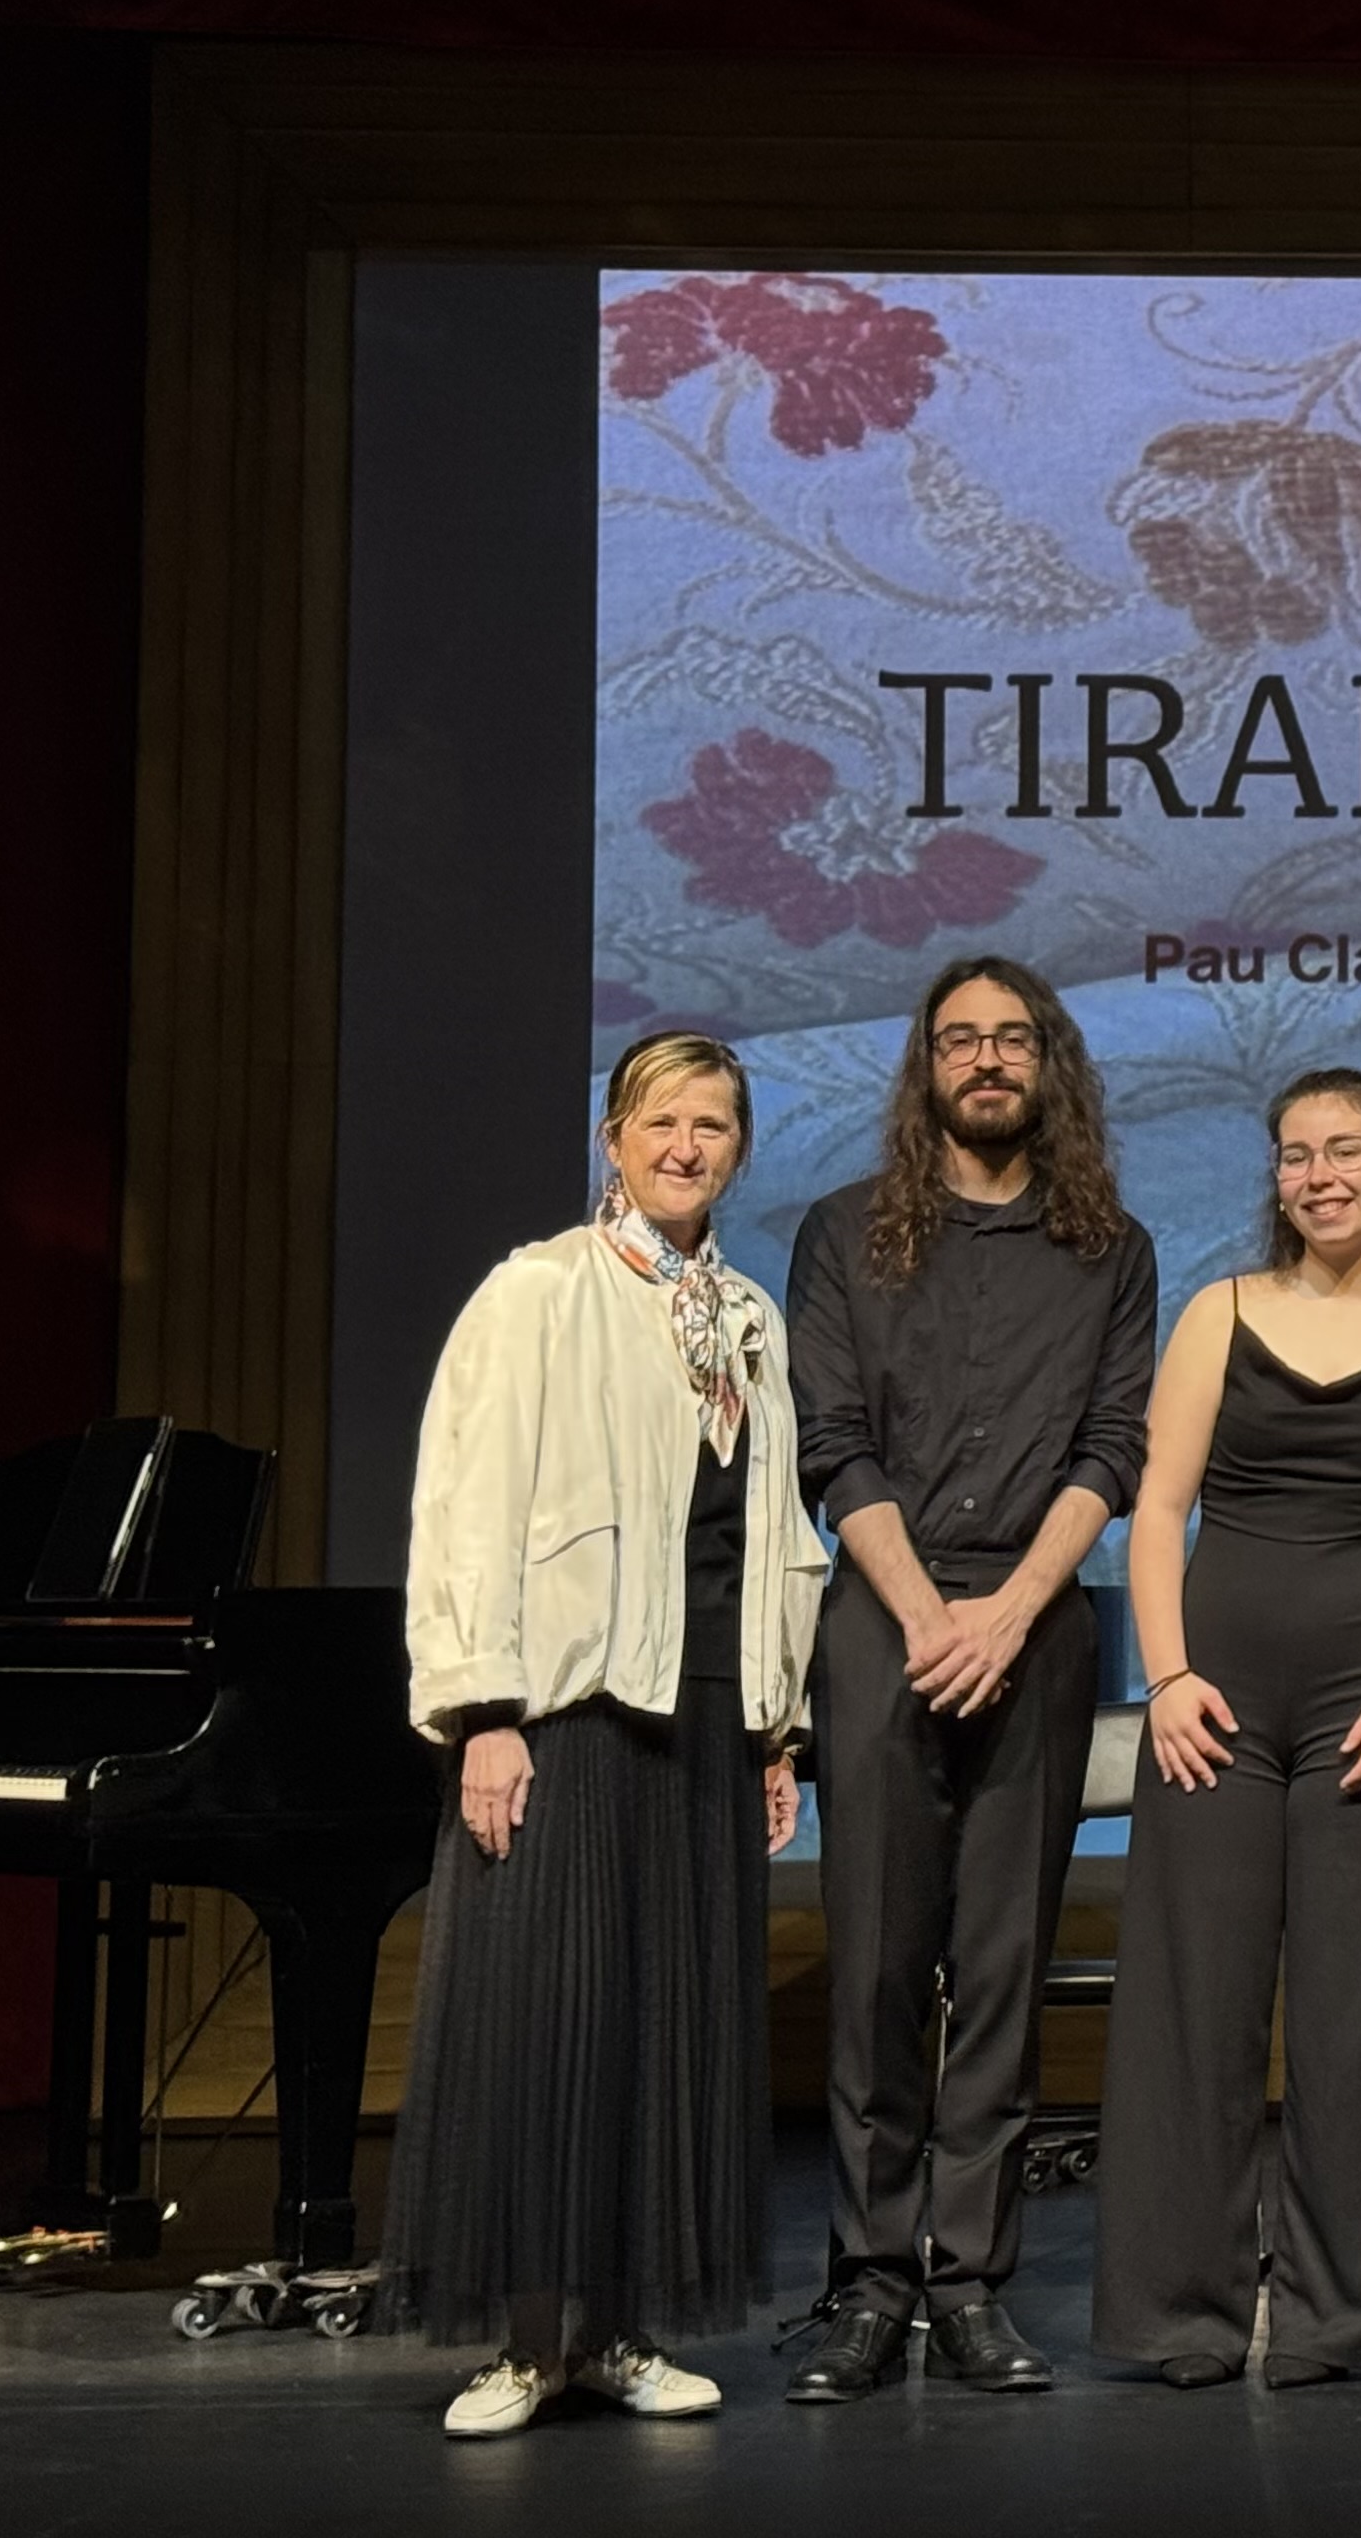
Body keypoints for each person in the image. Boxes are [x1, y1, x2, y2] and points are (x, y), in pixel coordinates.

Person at [386, 1032, 826, 2438]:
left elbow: (767, 1537)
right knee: (547, 2016)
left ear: (738, 1150)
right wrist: (487, 1713)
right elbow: (465, 1508)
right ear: (612, 1138)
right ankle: (528, 2346)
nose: (685, 1146)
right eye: (661, 1122)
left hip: (702, 1711)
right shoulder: (541, 1293)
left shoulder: (746, 1316)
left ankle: (623, 2335)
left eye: (712, 1126)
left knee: (668, 2020)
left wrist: (776, 1726)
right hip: (569, 1707)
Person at [783, 956, 1157, 2400]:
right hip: (886, 1618)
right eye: (961, 1041)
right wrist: (931, 1611)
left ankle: (974, 2284)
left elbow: (1109, 1451)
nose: (987, 1061)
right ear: (925, 1067)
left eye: (1011, 1039)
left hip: (1038, 1619)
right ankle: (873, 2285)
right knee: (877, 1968)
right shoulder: (842, 1236)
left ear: (1045, 1064)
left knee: (1001, 1970)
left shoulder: (1106, 1248)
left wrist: (1003, 1614)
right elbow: (833, 1445)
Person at [1092, 1069, 1361, 2386]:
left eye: (1342, 1152)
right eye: (1293, 1156)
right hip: (1213, 1693)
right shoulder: (1220, 1312)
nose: (1316, 1175)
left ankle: (1356, 2322)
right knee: (1190, 2007)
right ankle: (1178, 2320)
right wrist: (1164, 1676)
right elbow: (1155, 1508)